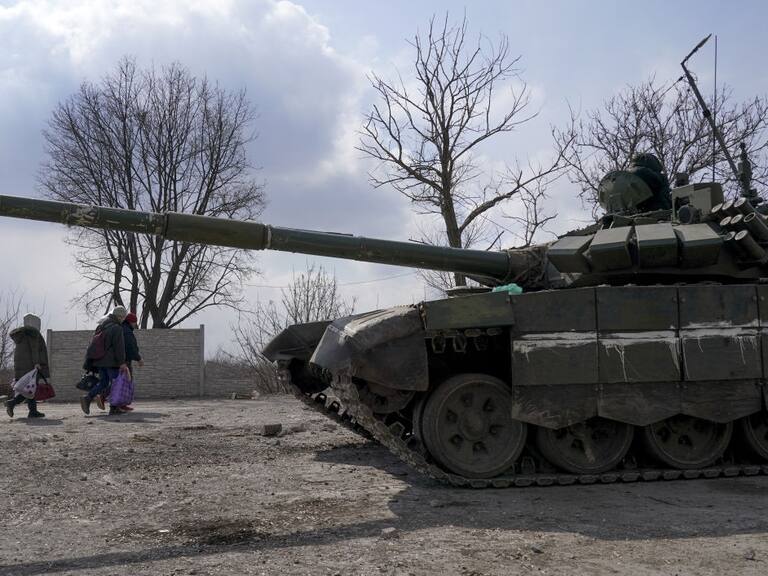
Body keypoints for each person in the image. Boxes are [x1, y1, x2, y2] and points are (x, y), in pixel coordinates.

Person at [80, 305, 129, 416]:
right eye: (123, 317)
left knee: (103, 382)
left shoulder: (102, 326)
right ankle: (114, 408)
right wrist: (122, 363)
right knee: (117, 383)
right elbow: (119, 347)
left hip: (99, 361)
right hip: (111, 362)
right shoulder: (117, 328)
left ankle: (88, 398)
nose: (123, 320)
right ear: (120, 316)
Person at [5, 313, 49, 419]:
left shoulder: (21, 335)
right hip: (30, 366)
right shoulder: (32, 333)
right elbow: (34, 349)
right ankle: (13, 403)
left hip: (20, 366)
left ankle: (32, 411)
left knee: (28, 388)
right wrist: (37, 363)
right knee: (29, 389)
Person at [117, 311, 143, 412]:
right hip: (125, 361)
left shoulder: (123, 329)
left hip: (121, 360)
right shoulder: (127, 331)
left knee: (122, 383)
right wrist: (138, 358)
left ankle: (122, 404)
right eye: (134, 322)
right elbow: (130, 347)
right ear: (131, 322)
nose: (135, 324)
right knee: (126, 383)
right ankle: (119, 404)